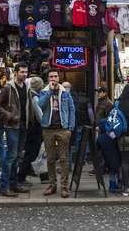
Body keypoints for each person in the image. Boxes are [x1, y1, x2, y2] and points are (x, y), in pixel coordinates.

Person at [0, 62, 32, 197]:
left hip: (23, 124)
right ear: (15, 73)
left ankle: (14, 184)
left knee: (17, 156)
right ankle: (4, 186)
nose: (24, 74)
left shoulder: (26, 86)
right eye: (22, 72)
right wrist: (8, 114)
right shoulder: (8, 87)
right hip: (12, 125)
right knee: (11, 156)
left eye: (26, 72)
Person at [38, 69, 75, 198]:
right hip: (48, 129)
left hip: (62, 128)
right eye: (51, 77)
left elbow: (71, 109)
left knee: (64, 159)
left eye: (55, 76)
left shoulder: (65, 92)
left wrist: (70, 127)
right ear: (48, 79)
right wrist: (49, 91)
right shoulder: (44, 91)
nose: (53, 79)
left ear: (59, 78)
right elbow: (40, 105)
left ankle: (64, 187)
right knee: (50, 159)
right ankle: (52, 184)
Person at [17, 77, 44, 186]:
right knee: (31, 153)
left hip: (28, 128)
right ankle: (21, 177)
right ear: (39, 86)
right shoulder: (34, 97)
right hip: (34, 130)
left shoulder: (27, 94)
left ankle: (23, 173)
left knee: (29, 152)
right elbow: (40, 116)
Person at [62, 82, 80, 170]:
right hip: (67, 125)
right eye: (63, 86)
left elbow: (73, 111)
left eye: (66, 87)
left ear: (70, 88)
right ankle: (67, 165)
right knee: (66, 146)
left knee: (67, 146)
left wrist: (70, 126)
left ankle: (67, 165)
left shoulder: (72, 97)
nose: (64, 88)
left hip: (69, 125)